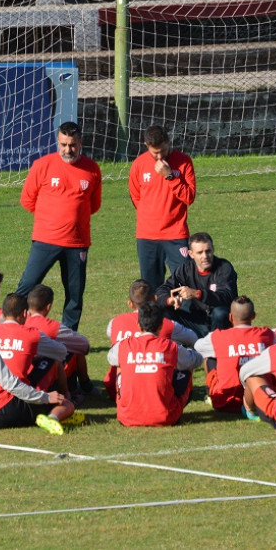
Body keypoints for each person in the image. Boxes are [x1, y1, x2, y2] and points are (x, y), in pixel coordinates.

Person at [14, 121, 102, 332]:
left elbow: (94, 205)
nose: (67, 150)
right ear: (57, 141)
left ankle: (69, 335)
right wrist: (51, 219)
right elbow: (27, 200)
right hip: (45, 240)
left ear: (80, 142)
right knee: (27, 285)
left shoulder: (92, 169)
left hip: (77, 242)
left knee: (74, 292)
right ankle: (12, 328)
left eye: (72, 145)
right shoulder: (42, 165)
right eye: (63, 144)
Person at [107, 303, 204, 426]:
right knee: (186, 367)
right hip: (166, 417)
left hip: (126, 417)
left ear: (138, 325)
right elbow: (196, 360)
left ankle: (129, 405)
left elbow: (111, 359)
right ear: (161, 326)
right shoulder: (170, 347)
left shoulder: (123, 346)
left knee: (120, 366)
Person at [104, 279, 198, 400]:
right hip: (155, 393)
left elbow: (110, 337)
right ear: (155, 299)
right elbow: (193, 339)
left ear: (130, 304)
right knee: (183, 354)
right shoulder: (167, 325)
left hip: (117, 390)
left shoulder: (115, 323)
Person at [128, 125, 196, 289]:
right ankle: (156, 316)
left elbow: (189, 197)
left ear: (168, 141)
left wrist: (170, 176)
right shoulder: (138, 165)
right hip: (147, 237)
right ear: (146, 145)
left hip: (176, 234)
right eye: (154, 153)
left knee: (184, 284)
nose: (159, 156)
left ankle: (183, 315)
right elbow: (136, 198)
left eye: (163, 151)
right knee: (150, 288)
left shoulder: (184, 162)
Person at [194, 296, 276, 414]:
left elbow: (198, 347)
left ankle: (211, 395)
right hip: (260, 400)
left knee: (210, 357)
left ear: (230, 317)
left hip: (225, 402)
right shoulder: (267, 335)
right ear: (253, 316)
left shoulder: (218, 337)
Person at [155, 232, 237, 338]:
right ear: (191, 254)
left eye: (208, 251)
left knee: (220, 312)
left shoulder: (224, 268)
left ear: (213, 249)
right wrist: (170, 300)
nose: (205, 256)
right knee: (164, 311)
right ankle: (177, 349)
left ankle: (216, 348)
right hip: (196, 321)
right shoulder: (185, 269)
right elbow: (162, 289)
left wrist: (197, 293)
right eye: (200, 252)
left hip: (220, 320)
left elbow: (227, 296)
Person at [0, 293, 69, 393]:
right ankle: (67, 397)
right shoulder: (32, 335)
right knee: (53, 359)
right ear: (24, 313)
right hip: (19, 393)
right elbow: (62, 352)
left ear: (2, 314)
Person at [25, 284, 94, 397]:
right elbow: (84, 346)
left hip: (17, 375)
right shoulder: (52, 327)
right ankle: (76, 391)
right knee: (72, 350)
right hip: (41, 376)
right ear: (48, 306)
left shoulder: (18, 321)